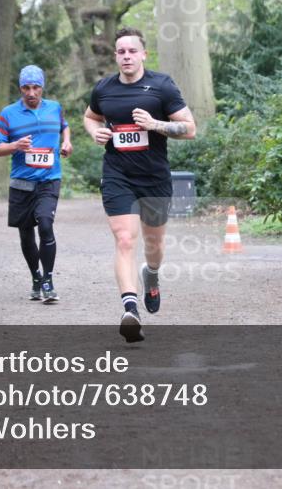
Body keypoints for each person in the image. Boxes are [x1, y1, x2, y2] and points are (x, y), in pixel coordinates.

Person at [83, 27, 196, 342]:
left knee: (153, 247)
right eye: (121, 52)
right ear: (116, 56)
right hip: (118, 174)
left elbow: (189, 129)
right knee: (124, 240)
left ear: (144, 54)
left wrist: (154, 124)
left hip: (154, 178)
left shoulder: (162, 86)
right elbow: (91, 117)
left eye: (132, 51)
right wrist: (95, 133)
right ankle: (129, 309)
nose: (126, 56)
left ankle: (153, 275)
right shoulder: (104, 89)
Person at [0, 65, 72, 303]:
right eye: (26, 88)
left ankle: (48, 280)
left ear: (42, 87)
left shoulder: (54, 108)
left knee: (46, 225)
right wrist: (16, 145)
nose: (31, 92)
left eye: (36, 87)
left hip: (49, 180)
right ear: (20, 88)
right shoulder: (8, 114)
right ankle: (36, 277)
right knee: (26, 235)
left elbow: (64, 126)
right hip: (21, 184)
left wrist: (67, 142)